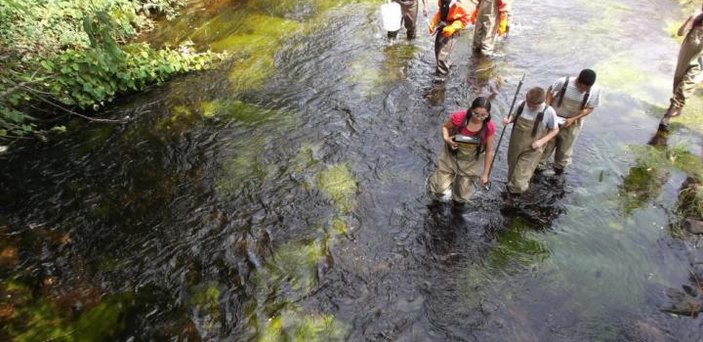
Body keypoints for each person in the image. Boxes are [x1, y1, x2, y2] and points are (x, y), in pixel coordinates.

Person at [428, 97, 496, 203]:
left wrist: (485, 174)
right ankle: (436, 180)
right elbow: (445, 128)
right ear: (471, 109)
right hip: (451, 156)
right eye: (476, 114)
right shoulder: (459, 117)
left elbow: (489, 151)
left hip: (471, 161)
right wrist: (447, 139)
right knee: (438, 190)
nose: (479, 118)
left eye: (483, 115)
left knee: (461, 197)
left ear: (488, 114)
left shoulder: (489, 127)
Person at [537, 69, 601, 174]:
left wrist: (573, 119)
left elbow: (590, 108)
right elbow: (549, 91)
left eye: (587, 89)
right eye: (581, 88)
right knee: (546, 147)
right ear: (578, 81)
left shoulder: (595, 90)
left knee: (564, 151)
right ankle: (538, 168)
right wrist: (548, 108)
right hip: (554, 120)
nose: (583, 91)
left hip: (573, 123)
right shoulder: (563, 82)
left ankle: (558, 170)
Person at [502, 87, 559, 197]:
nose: (531, 107)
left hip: (533, 149)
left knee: (519, 178)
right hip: (516, 145)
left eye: (534, 106)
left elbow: (555, 130)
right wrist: (508, 120)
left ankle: (516, 198)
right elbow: (513, 117)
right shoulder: (521, 105)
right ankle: (512, 191)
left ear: (542, 102)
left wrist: (541, 141)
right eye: (529, 104)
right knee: (512, 171)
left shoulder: (549, 112)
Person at [659, 6, 703, 131]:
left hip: (700, 63)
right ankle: (675, 108)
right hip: (686, 57)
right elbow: (680, 33)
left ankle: (667, 116)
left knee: (686, 85)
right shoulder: (697, 19)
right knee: (678, 83)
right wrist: (691, 18)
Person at [428, 0, 471, 77]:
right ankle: (446, 66)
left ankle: (441, 79)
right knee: (438, 51)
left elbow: (465, 19)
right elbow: (441, 11)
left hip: (451, 31)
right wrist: (434, 22)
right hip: (442, 27)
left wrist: (453, 27)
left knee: (442, 56)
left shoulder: (460, 3)